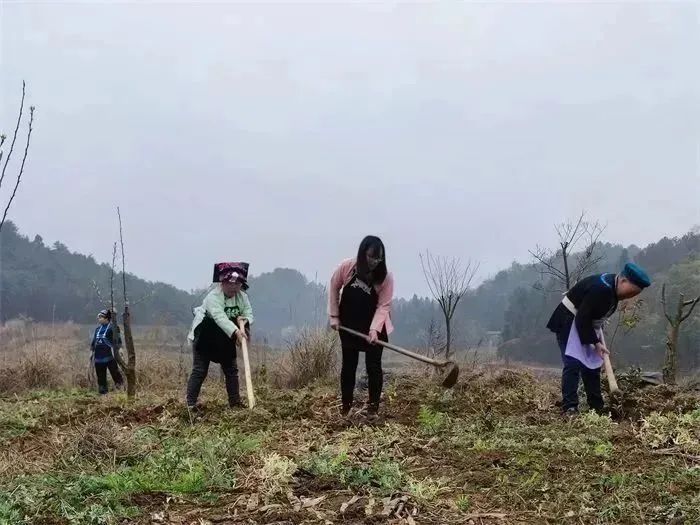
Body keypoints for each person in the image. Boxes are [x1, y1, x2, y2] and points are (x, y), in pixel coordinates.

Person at [546, 262, 651, 415]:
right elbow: (583, 316)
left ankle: (596, 406)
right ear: (623, 281)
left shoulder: (612, 288)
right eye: (630, 293)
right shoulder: (601, 288)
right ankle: (570, 407)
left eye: (634, 295)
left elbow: (594, 315)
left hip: (588, 325)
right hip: (570, 320)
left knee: (593, 365)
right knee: (573, 363)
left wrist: (597, 341)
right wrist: (595, 342)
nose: (629, 297)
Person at [329, 236, 394, 417]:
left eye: (378, 258)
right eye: (371, 257)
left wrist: (374, 330)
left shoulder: (386, 277)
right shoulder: (347, 267)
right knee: (349, 365)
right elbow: (334, 286)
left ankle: (373, 409)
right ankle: (346, 407)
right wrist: (334, 316)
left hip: (375, 323)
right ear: (363, 254)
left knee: (373, 366)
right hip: (349, 322)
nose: (375, 262)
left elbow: (384, 305)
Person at [186, 262, 254, 410]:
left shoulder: (242, 297)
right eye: (230, 284)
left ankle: (235, 404)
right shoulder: (213, 297)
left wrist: (246, 322)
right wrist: (236, 332)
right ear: (222, 283)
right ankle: (190, 404)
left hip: (226, 336)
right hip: (206, 334)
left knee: (231, 370)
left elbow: (248, 313)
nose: (233, 287)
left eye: (237, 284)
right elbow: (219, 317)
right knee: (200, 370)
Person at [90, 309, 124, 395]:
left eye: (101, 317)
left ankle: (121, 389)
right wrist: (91, 352)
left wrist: (120, 349)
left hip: (109, 357)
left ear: (107, 318)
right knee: (101, 377)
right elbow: (94, 341)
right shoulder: (97, 329)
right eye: (99, 317)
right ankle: (103, 393)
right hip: (98, 358)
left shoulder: (113, 327)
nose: (99, 319)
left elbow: (118, 339)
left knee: (115, 374)